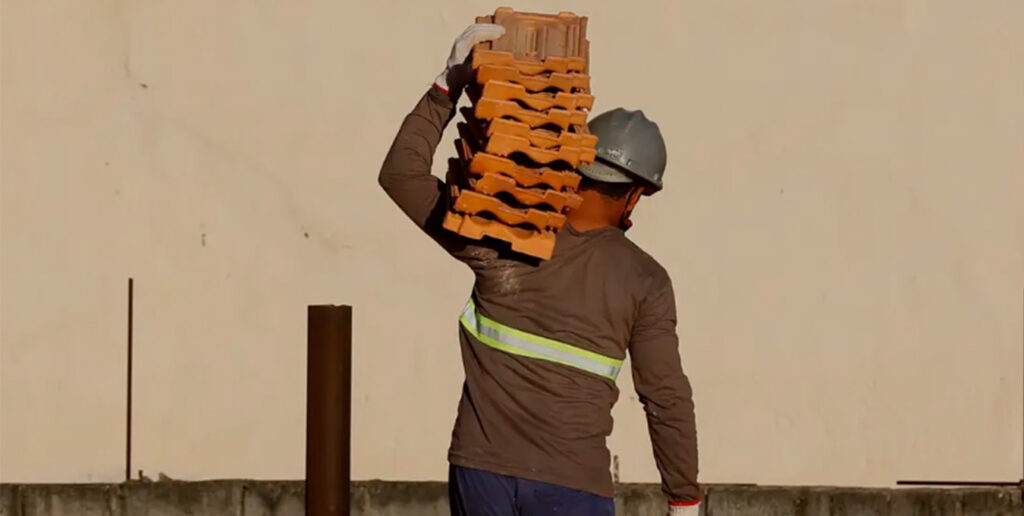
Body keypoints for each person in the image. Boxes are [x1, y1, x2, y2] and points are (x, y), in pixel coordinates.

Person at [378, 24, 700, 516]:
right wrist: (683, 497)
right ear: (637, 194)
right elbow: (665, 397)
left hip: (480, 472)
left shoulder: (499, 232)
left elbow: (400, 174)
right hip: (573, 487)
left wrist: (448, 86)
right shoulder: (645, 281)